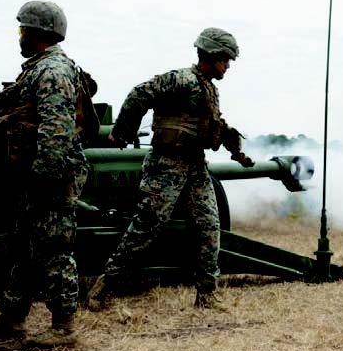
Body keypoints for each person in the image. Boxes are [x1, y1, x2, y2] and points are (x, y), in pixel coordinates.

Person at [86, 27, 254, 312]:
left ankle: (206, 294)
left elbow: (215, 127)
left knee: (209, 227)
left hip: (195, 166)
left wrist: (237, 152)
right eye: (225, 59)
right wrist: (122, 133)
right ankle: (102, 289)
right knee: (146, 229)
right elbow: (140, 94)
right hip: (166, 166)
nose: (228, 65)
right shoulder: (181, 80)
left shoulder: (208, 88)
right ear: (211, 55)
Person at [0, 1, 89, 347]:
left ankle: (64, 327)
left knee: (54, 248)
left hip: (49, 176)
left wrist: (44, 175)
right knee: (23, 247)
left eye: (23, 29)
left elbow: (56, 130)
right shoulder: (38, 69)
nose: (19, 36)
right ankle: (13, 317)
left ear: (38, 33)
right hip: (34, 174)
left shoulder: (52, 70)